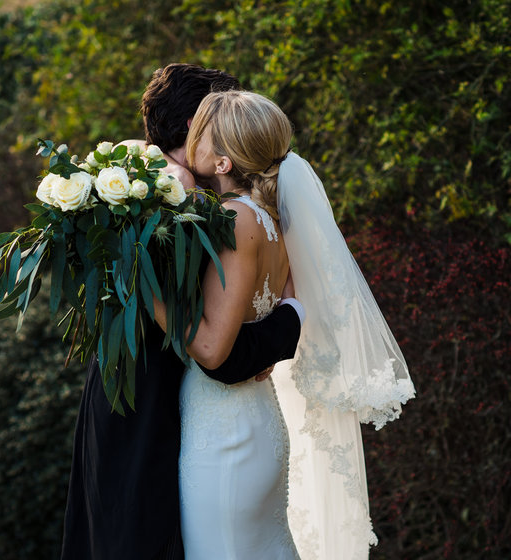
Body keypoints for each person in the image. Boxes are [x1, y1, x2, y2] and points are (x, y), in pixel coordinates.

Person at [59, 65, 305, 560]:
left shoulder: (220, 204)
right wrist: (285, 325)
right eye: (218, 116)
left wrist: (280, 327)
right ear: (196, 126)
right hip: (143, 410)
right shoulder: (158, 195)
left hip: (194, 415)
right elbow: (227, 354)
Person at [167, 90, 416, 560]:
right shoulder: (271, 219)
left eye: (197, 133)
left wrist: (144, 294)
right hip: (259, 418)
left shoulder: (234, 218)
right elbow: (280, 312)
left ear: (222, 164)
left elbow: (213, 351)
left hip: (223, 432)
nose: (188, 138)